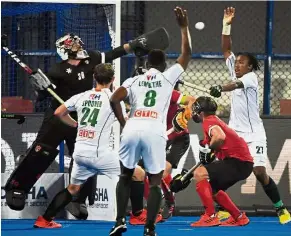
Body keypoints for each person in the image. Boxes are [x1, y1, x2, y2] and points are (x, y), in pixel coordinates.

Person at [4, 31, 159, 219]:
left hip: (83, 121)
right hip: (58, 117)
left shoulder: (92, 58)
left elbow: (113, 54)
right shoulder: (56, 70)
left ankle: (77, 200)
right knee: (41, 151)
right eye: (75, 44)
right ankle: (17, 188)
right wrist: (40, 88)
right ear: (66, 50)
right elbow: (43, 97)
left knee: (85, 162)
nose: (79, 44)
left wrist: (133, 45)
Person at [109, 6, 192, 236]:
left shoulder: (134, 80)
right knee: (155, 181)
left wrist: (124, 122)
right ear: (165, 66)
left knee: (125, 176)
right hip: (155, 130)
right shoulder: (167, 78)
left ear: (146, 66)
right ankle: (149, 228)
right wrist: (184, 28)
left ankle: (118, 221)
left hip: (133, 127)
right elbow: (186, 56)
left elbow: (114, 98)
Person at [209, 7, 291, 224]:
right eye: (237, 63)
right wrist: (226, 23)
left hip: (254, 135)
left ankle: (280, 207)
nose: (237, 64)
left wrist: (220, 88)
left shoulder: (251, 78)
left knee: (259, 171)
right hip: (234, 135)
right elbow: (227, 50)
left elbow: (235, 84)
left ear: (251, 66)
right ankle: (223, 208)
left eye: (242, 62)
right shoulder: (234, 70)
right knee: (226, 171)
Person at [33, 63, 125, 228]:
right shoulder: (114, 100)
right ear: (113, 79)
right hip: (100, 154)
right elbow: (125, 123)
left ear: (94, 78)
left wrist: (75, 124)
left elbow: (58, 113)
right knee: (135, 174)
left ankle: (45, 220)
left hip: (80, 153)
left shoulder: (81, 96)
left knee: (73, 188)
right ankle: (137, 216)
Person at [129, 86, 195, 224]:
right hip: (159, 137)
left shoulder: (168, 92)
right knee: (140, 172)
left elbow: (191, 100)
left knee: (162, 171)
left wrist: (186, 114)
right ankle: (156, 207)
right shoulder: (140, 97)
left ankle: (165, 203)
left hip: (178, 137)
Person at [189, 96, 253, 227]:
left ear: (200, 112)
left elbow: (219, 137)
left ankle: (210, 217)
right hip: (242, 163)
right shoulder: (214, 120)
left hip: (238, 162)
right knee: (211, 188)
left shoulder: (208, 121)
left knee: (200, 173)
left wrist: (208, 149)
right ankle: (239, 217)